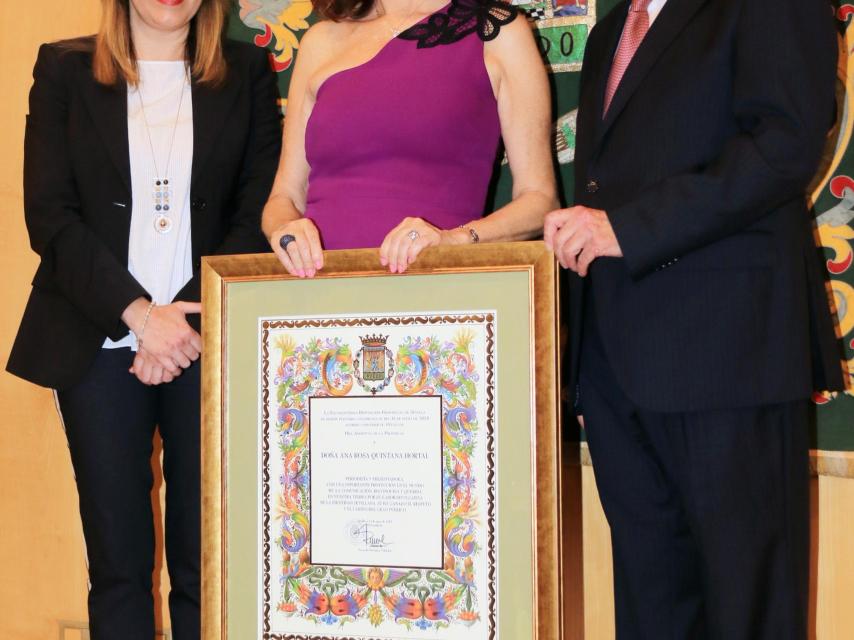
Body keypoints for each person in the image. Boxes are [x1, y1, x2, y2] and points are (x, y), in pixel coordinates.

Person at [544, 0, 843, 638]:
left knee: (748, 611)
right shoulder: (610, 32)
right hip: (616, 366)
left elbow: (786, 143)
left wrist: (630, 228)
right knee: (650, 612)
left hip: (729, 353)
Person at [6, 0, 281, 637]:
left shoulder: (245, 70)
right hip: (95, 341)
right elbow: (49, 215)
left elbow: (257, 211)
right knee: (118, 566)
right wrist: (139, 316)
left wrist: (181, 322)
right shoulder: (64, 69)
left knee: (207, 562)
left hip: (207, 340)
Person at [260, 0, 556, 275]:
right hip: (315, 288)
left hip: (432, 287)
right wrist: (286, 231)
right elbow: (285, 197)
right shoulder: (320, 40)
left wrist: (456, 240)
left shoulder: (497, 32)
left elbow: (539, 200)